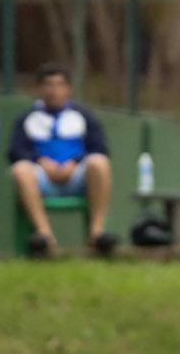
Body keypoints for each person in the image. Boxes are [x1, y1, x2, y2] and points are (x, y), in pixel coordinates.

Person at [7, 63, 119, 257]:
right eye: (48, 84)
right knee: (20, 169)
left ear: (69, 89)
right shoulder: (26, 118)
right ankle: (44, 236)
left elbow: (100, 148)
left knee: (99, 163)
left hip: (77, 178)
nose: (54, 90)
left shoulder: (84, 115)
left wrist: (74, 162)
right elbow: (15, 151)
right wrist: (41, 161)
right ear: (39, 88)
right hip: (42, 179)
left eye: (59, 84)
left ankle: (97, 233)